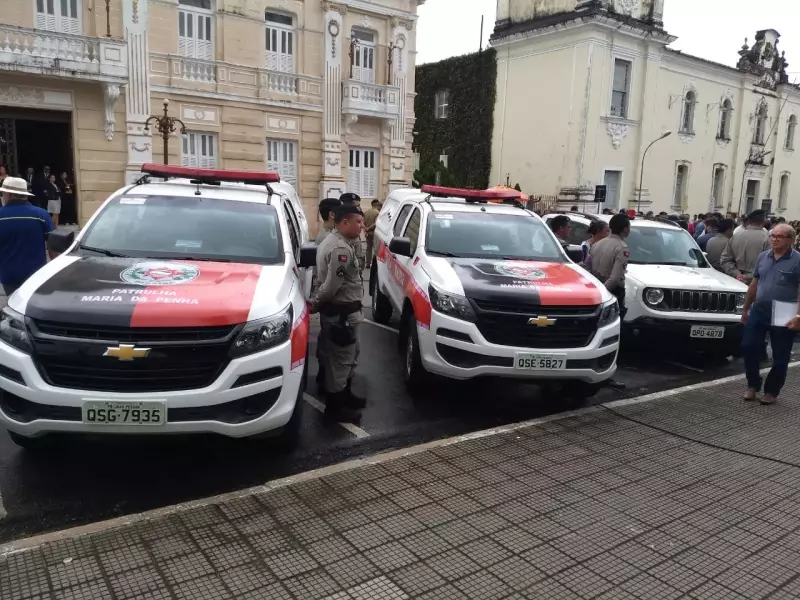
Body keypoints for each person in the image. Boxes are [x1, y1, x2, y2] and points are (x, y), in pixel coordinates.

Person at [311, 204, 367, 423]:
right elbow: (332, 285)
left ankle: (345, 397)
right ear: (344, 222)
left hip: (344, 313)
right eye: (358, 222)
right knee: (341, 362)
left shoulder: (336, 241)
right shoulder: (340, 249)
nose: (362, 226)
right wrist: (315, 303)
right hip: (341, 314)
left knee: (348, 357)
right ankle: (335, 410)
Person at [740, 223, 800, 405]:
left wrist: (798, 316)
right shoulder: (763, 257)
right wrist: (745, 308)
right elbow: (754, 284)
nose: (774, 239)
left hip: (784, 312)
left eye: (779, 236)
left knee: (780, 354)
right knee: (748, 346)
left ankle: (772, 391)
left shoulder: (797, 260)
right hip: (759, 310)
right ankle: (753, 384)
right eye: (773, 235)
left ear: (790, 240)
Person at [0, 177, 56, 297]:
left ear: (9, 195)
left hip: (9, 275)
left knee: (15, 307)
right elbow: (54, 247)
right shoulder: (41, 215)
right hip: (37, 275)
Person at [312, 198, 343, 392]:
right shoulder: (328, 239)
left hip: (326, 296)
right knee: (330, 341)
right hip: (330, 298)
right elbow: (332, 278)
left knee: (327, 338)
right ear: (332, 214)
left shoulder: (326, 235)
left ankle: (325, 377)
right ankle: (326, 380)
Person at [589, 213, 630, 317]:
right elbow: (615, 279)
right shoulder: (621, 248)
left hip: (596, 286)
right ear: (625, 230)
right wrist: (603, 293)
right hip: (611, 291)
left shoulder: (597, 243)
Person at [721, 209, 770, 284]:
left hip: (737, 280)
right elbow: (769, 264)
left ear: (749, 221)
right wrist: (748, 277)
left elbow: (725, 260)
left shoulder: (736, 236)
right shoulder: (767, 238)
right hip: (757, 282)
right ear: (763, 221)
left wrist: (737, 274)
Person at [363, 199, 381, 269]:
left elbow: (363, 222)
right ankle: (375, 264)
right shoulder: (377, 212)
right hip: (374, 232)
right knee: (376, 248)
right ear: (376, 204)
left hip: (368, 233)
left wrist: (366, 229)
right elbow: (376, 223)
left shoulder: (366, 212)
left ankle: (367, 263)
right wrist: (370, 228)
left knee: (368, 248)